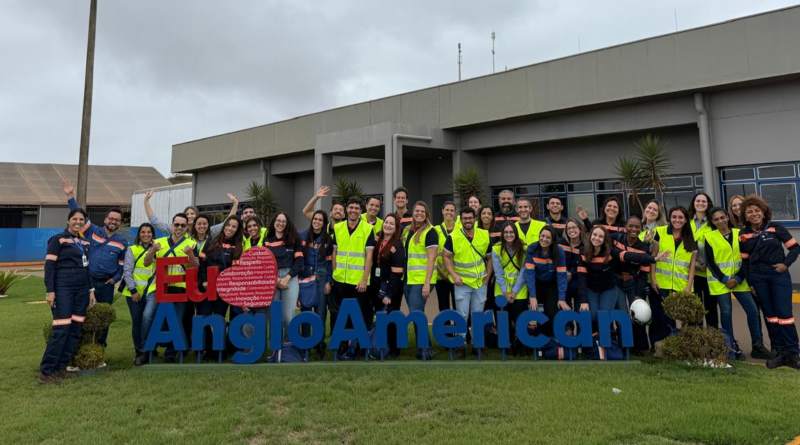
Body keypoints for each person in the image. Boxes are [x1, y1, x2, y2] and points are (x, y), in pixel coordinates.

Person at [62, 180, 126, 347]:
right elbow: (78, 215)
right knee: (81, 312)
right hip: (86, 282)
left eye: (117, 220)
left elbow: (122, 265)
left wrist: (114, 279)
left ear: (120, 223)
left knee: (103, 317)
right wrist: (70, 195)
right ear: (105, 219)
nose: (113, 221)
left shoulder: (122, 242)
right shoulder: (92, 230)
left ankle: (99, 347)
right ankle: (80, 347)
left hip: (106, 285)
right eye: (111, 218)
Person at [739, 195, 800, 369]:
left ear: (764, 212)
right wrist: (751, 281)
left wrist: (785, 265)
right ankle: (779, 352)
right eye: (749, 212)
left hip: (777, 275)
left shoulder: (775, 227)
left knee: (784, 315)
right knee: (771, 316)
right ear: (745, 215)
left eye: (757, 210)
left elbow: (795, 248)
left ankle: (793, 353)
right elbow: (745, 260)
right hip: (758, 277)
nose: (754, 214)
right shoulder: (743, 234)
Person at [703, 207, 770, 360]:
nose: (720, 221)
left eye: (722, 217)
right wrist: (725, 280)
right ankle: (731, 347)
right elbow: (710, 263)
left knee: (753, 311)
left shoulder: (739, 233)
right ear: (712, 222)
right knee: (726, 313)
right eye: (716, 219)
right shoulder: (709, 237)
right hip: (720, 282)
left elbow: (747, 258)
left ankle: (757, 346)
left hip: (740, 280)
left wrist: (738, 278)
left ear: (727, 217)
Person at [39, 208, 97, 384]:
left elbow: (87, 268)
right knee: (62, 328)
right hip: (63, 285)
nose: (78, 222)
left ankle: (61, 368)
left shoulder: (85, 243)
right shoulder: (57, 240)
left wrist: (91, 290)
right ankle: (46, 372)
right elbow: (49, 266)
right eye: (75, 219)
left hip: (82, 287)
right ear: (68, 221)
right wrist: (50, 290)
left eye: (81, 219)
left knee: (75, 328)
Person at [143, 213, 199, 363]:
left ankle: (171, 352)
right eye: (176, 224)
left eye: (182, 225)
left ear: (186, 227)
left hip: (180, 288)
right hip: (159, 288)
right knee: (147, 316)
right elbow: (146, 263)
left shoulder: (192, 244)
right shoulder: (159, 242)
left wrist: (190, 254)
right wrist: (152, 250)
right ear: (172, 225)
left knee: (175, 320)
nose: (179, 228)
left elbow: (195, 267)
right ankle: (144, 350)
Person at [443, 207, 493, 358]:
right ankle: (460, 345)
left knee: (477, 315)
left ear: (475, 218)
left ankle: (477, 346)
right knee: (462, 316)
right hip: (462, 283)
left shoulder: (484, 234)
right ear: (461, 219)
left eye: (470, 218)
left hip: (480, 283)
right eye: (464, 218)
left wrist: (487, 278)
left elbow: (490, 258)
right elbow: (445, 256)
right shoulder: (453, 237)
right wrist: (453, 275)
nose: (467, 221)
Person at [650, 206, 698, 350]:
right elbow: (653, 257)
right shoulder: (660, 232)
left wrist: (689, 286)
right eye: (674, 217)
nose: (677, 220)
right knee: (659, 315)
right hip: (660, 283)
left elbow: (692, 265)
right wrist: (652, 279)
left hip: (681, 284)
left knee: (677, 317)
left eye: (680, 217)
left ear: (686, 220)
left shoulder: (692, 237)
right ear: (670, 218)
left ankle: (674, 345)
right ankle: (657, 345)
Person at [332, 197, 376, 354]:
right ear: (346, 209)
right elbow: (335, 252)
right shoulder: (338, 228)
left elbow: (369, 256)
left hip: (358, 282)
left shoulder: (368, 229)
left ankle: (358, 346)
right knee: (342, 315)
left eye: (357, 208)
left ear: (361, 210)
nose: (353, 211)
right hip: (340, 280)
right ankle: (343, 345)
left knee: (360, 315)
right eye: (351, 207)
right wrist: (334, 272)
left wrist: (364, 279)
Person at [198, 216, 243, 361]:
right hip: (207, 288)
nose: (230, 228)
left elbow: (236, 271)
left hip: (224, 290)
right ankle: (209, 349)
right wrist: (204, 281)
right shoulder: (211, 241)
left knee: (219, 320)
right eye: (228, 225)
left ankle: (219, 350)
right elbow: (202, 263)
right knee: (204, 318)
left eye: (234, 227)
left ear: (237, 230)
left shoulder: (238, 246)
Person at [614, 216, 660, 353]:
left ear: (641, 229)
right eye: (631, 226)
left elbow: (644, 273)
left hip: (633, 284)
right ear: (625, 227)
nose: (633, 229)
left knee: (637, 314)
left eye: (637, 227)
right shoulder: (616, 240)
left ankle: (638, 346)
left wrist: (638, 294)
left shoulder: (644, 248)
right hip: (617, 282)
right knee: (622, 314)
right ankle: (624, 345)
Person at [403, 201, 439, 359]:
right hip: (409, 279)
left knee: (416, 313)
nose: (419, 214)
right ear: (413, 213)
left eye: (422, 212)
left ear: (426, 214)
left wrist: (427, 283)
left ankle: (426, 350)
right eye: (417, 211)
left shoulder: (430, 232)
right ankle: (423, 347)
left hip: (422, 280)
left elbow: (432, 259)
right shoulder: (409, 230)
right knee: (415, 314)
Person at [264, 213, 304, 341]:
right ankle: (276, 347)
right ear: (274, 222)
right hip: (272, 279)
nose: (280, 223)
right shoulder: (267, 240)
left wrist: (287, 278)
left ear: (287, 224)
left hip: (290, 278)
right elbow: (265, 262)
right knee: (274, 316)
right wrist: (275, 278)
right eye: (278, 220)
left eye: (283, 221)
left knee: (288, 316)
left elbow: (299, 262)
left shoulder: (294, 239)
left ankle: (290, 346)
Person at [299, 210, 333, 360]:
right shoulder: (302, 235)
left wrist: (329, 281)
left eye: (320, 220)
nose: (317, 221)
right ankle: (305, 344)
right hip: (306, 275)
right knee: (306, 311)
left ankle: (319, 345)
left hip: (322, 276)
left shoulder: (328, 239)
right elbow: (298, 258)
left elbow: (330, 262)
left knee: (320, 312)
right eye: (315, 219)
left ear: (324, 223)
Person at [371, 213, 406, 358]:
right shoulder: (377, 240)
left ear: (397, 227)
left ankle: (394, 350)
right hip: (377, 286)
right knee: (380, 317)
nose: (388, 225)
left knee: (391, 317)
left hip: (391, 289)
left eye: (392, 224)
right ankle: (380, 346)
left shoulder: (397, 245)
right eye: (386, 222)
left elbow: (396, 274)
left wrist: (389, 294)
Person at [122, 223, 157, 366]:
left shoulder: (158, 249)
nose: (146, 234)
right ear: (139, 235)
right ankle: (139, 350)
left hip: (151, 291)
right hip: (134, 293)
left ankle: (148, 348)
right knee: (137, 321)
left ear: (153, 234)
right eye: (143, 232)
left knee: (148, 319)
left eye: (149, 232)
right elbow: (127, 271)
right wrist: (133, 291)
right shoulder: (132, 249)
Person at [523, 225, 568, 337]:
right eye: (542, 236)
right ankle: (538, 337)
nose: (544, 239)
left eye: (548, 237)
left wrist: (561, 298)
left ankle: (551, 338)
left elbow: (561, 276)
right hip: (537, 283)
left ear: (552, 240)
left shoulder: (559, 251)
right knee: (537, 310)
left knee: (552, 311)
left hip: (552, 283)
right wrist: (532, 296)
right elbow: (529, 274)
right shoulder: (532, 249)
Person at [143, 188, 238, 239]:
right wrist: (146, 201)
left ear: (197, 216)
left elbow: (226, 223)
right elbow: (155, 222)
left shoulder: (208, 230)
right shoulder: (176, 228)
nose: (190, 216)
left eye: (192, 213)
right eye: (187, 214)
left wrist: (235, 204)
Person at [492, 222, 528, 355]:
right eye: (506, 232)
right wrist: (506, 293)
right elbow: (498, 273)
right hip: (501, 290)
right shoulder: (496, 248)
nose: (508, 235)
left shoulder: (524, 248)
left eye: (511, 232)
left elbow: (524, 271)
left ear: (516, 233)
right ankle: (507, 344)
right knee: (504, 320)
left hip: (519, 290)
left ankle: (521, 344)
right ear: (502, 234)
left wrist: (514, 291)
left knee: (520, 319)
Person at [689, 192, 717, 329]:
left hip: (709, 272)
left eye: (703, 201)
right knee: (694, 308)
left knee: (710, 307)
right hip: (691, 272)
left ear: (708, 204)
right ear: (693, 203)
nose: (700, 203)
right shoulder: (687, 222)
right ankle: (696, 335)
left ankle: (713, 335)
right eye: (698, 201)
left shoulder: (713, 223)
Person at [558, 218, 586, 312]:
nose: (571, 230)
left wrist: (571, 273)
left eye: (574, 227)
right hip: (562, 279)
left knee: (580, 310)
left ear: (580, 229)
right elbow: (556, 262)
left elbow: (586, 265)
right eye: (569, 228)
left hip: (579, 281)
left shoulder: (586, 246)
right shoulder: (560, 243)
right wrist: (564, 273)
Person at [434, 202, 457, 315]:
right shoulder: (435, 230)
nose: (449, 212)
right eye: (447, 210)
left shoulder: (460, 229)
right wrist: (442, 273)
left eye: (452, 210)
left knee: (459, 307)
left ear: (455, 213)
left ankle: (459, 327)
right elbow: (433, 255)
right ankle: (446, 327)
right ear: (442, 211)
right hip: (441, 276)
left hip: (457, 276)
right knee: (444, 308)